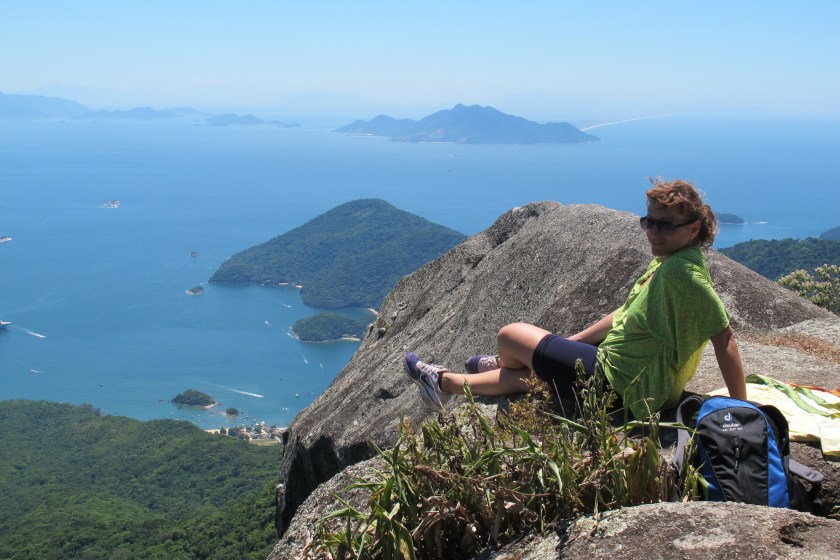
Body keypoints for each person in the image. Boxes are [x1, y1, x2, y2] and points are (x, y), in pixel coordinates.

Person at [404, 179, 747, 419]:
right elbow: (627, 313)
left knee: (510, 334)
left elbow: (724, 334)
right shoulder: (670, 261)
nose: (653, 232)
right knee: (532, 377)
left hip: (622, 384)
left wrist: (742, 408)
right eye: (649, 222)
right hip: (637, 382)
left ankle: (504, 360)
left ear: (693, 229)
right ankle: (443, 382)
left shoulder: (681, 274)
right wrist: (572, 343)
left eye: (666, 226)